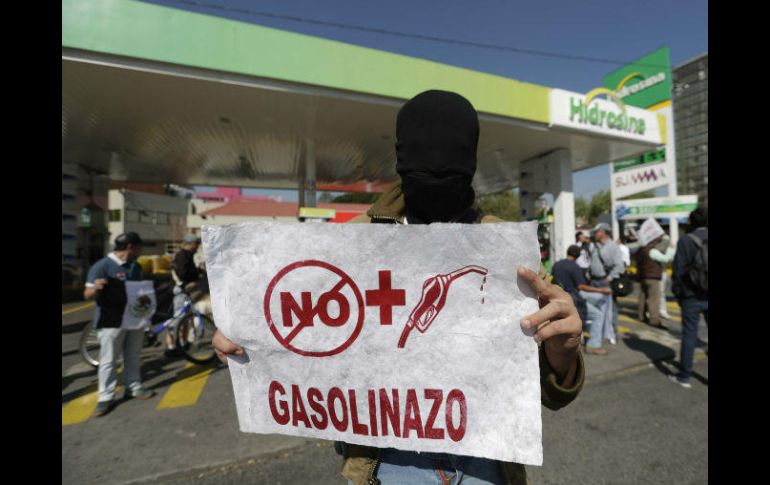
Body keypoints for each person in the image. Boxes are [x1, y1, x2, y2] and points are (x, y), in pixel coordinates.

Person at [213, 90, 585, 485]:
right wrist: (247, 338)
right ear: (400, 156)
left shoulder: (507, 251)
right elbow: (302, 328)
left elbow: (554, 390)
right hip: (390, 462)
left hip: (485, 460)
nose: (438, 175)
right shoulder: (350, 243)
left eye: (452, 166)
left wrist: (564, 353)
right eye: (426, 163)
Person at [84, 232, 155, 416]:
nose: (141, 251)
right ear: (131, 247)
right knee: (108, 360)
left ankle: (133, 386)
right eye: (139, 247)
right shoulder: (102, 266)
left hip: (134, 319)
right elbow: (87, 294)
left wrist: (146, 318)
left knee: (133, 355)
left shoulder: (135, 267)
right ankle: (105, 397)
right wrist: (95, 288)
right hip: (111, 322)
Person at [670, 208, 708, 388]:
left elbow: (678, 270)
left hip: (691, 294)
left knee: (690, 334)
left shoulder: (686, 241)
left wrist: (678, 293)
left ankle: (684, 376)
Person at [552, 245, 613, 355]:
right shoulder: (574, 267)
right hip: (571, 300)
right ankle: (593, 345)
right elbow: (581, 287)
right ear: (579, 255)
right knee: (597, 315)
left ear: (567, 252)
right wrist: (601, 290)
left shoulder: (557, 264)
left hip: (558, 298)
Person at [168, 234, 208, 357]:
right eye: (196, 244)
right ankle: (171, 347)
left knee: (184, 318)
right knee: (178, 318)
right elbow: (183, 272)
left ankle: (182, 343)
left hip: (186, 291)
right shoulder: (182, 255)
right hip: (182, 290)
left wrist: (199, 272)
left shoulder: (188, 255)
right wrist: (197, 274)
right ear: (190, 244)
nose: (197, 247)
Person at [588, 223, 625, 344]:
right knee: (595, 308)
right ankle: (598, 333)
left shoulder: (613, 247)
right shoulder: (594, 246)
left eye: (597, 231)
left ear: (604, 232)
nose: (595, 233)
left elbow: (619, 266)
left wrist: (609, 278)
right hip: (593, 281)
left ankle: (612, 332)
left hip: (605, 282)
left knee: (610, 308)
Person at [636, 234, 675, 329]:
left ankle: (641, 316)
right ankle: (654, 320)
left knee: (643, 297)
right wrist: (670, 249)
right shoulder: (652, 251)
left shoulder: (641, 250)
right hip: (652, 277)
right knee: (654, 299)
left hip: (643, 276)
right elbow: (666, 259)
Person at [657, 235, 674, 319]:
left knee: (661, 293)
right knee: (660, 293)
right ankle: (660, 310)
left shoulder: (662, 247)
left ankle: (661, 310)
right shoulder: (655, 249)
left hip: (662, 272)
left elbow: (668, 258)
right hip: (658, 272)